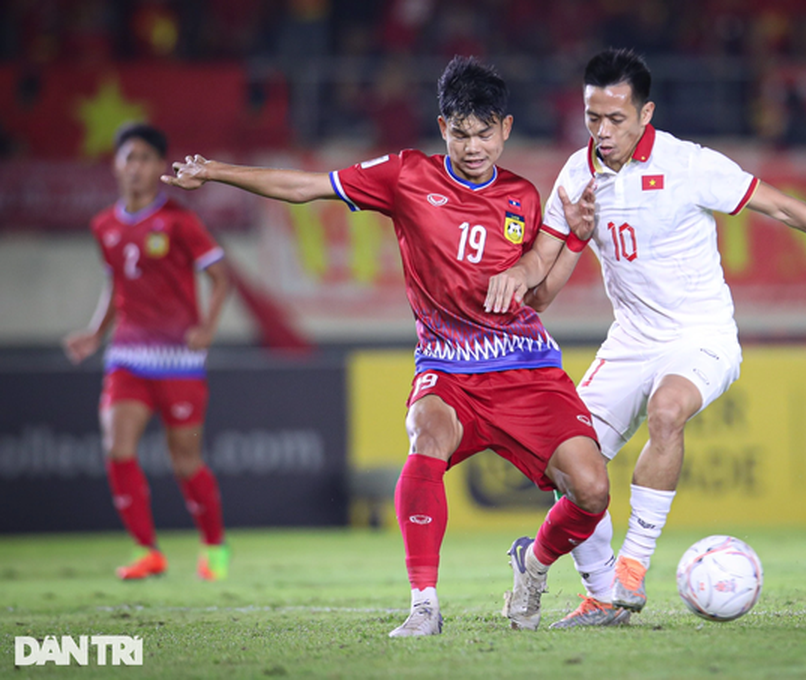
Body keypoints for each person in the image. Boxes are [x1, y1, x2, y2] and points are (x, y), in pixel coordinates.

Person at [160, 56, 610, 637]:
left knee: (592, 490)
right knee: (426, 434)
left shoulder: (522, 197)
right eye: (461, 133)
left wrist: (574, 239)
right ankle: (424, 605)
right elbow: (305, 188)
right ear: (443, 127)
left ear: (505, 129)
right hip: (449, 367)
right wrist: (217, 171)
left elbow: (540, 296)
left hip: (526, 368)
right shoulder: (406, 175)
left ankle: (534, 564)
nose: (473, 147)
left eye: (484, 133)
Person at [528, 48, 806, 628]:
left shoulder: (689, 164)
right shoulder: (574, 176)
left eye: (615, 119)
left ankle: (631, 569)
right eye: (593, 118)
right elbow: (540, 295)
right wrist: (574, 239)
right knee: (568, 463)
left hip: (701, 334)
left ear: (645, 114)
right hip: (631, 339)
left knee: (667, 412)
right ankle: (602, 594)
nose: (603, 132)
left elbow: (782, 208)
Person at [64, 123, 233, 581]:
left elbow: (221, 278)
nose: (135, 167)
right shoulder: (104, 225)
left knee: (185, 460)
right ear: (116, 165)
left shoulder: (180, 221)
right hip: (127, 355)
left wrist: (207, 327)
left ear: (159, 166)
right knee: (117, 447)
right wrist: (95, 333)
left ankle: (214, 545)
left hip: (179, 360)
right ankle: (147, 551)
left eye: (144, 158)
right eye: (128, 158)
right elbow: (115, 284)